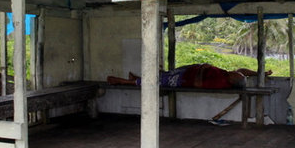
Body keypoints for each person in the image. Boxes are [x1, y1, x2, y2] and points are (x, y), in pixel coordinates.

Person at [107, 63, 271, 89]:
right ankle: (134, 77)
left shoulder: (220, 81)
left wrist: (202, 68)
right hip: (188, 70)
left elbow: (198, 84)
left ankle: (122, 81)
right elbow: (243, 70)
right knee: (164, 73)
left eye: (236, 74)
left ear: (232, 79)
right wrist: (260, 73)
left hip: (183, 80)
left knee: (156, 81)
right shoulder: (228, 75)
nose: (236, 72)